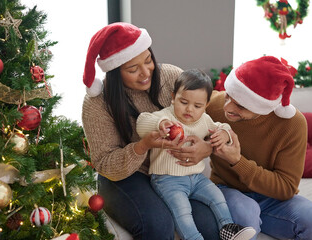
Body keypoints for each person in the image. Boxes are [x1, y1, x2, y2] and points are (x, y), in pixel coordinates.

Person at [81, 22, 217, 239]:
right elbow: (104, 164)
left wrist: (207, 147)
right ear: (115, 72)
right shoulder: (97, 103)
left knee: (210, 225)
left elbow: (207, 111)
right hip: (124, 176)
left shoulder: (171, 76)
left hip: (170, 171)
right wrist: (143, 146)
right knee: (158, 224)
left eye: (148, 60)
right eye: (133, 69)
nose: (146, 73)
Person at [200, 56, 312, 239]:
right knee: (245, 213)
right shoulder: (214, 105)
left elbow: (286, 188)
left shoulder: (293, 125)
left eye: (240, 105)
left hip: (273, 199)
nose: (227, 107)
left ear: (263, 107)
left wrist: (237, 161)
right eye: (229, 95)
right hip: (227, 190)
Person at [136, 69, 256, 240]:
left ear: (205, 105)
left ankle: (228, 228)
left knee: (217, 197)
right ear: (173, 97)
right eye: (183, 102)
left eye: (197, 106)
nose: (189, 109)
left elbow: (223, 126)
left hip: (196, 178)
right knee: (183, 212)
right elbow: (142, 123)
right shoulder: (165, 116)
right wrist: (160, 123)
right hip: (167, 179)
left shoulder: (204, 120)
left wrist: (224, 133)